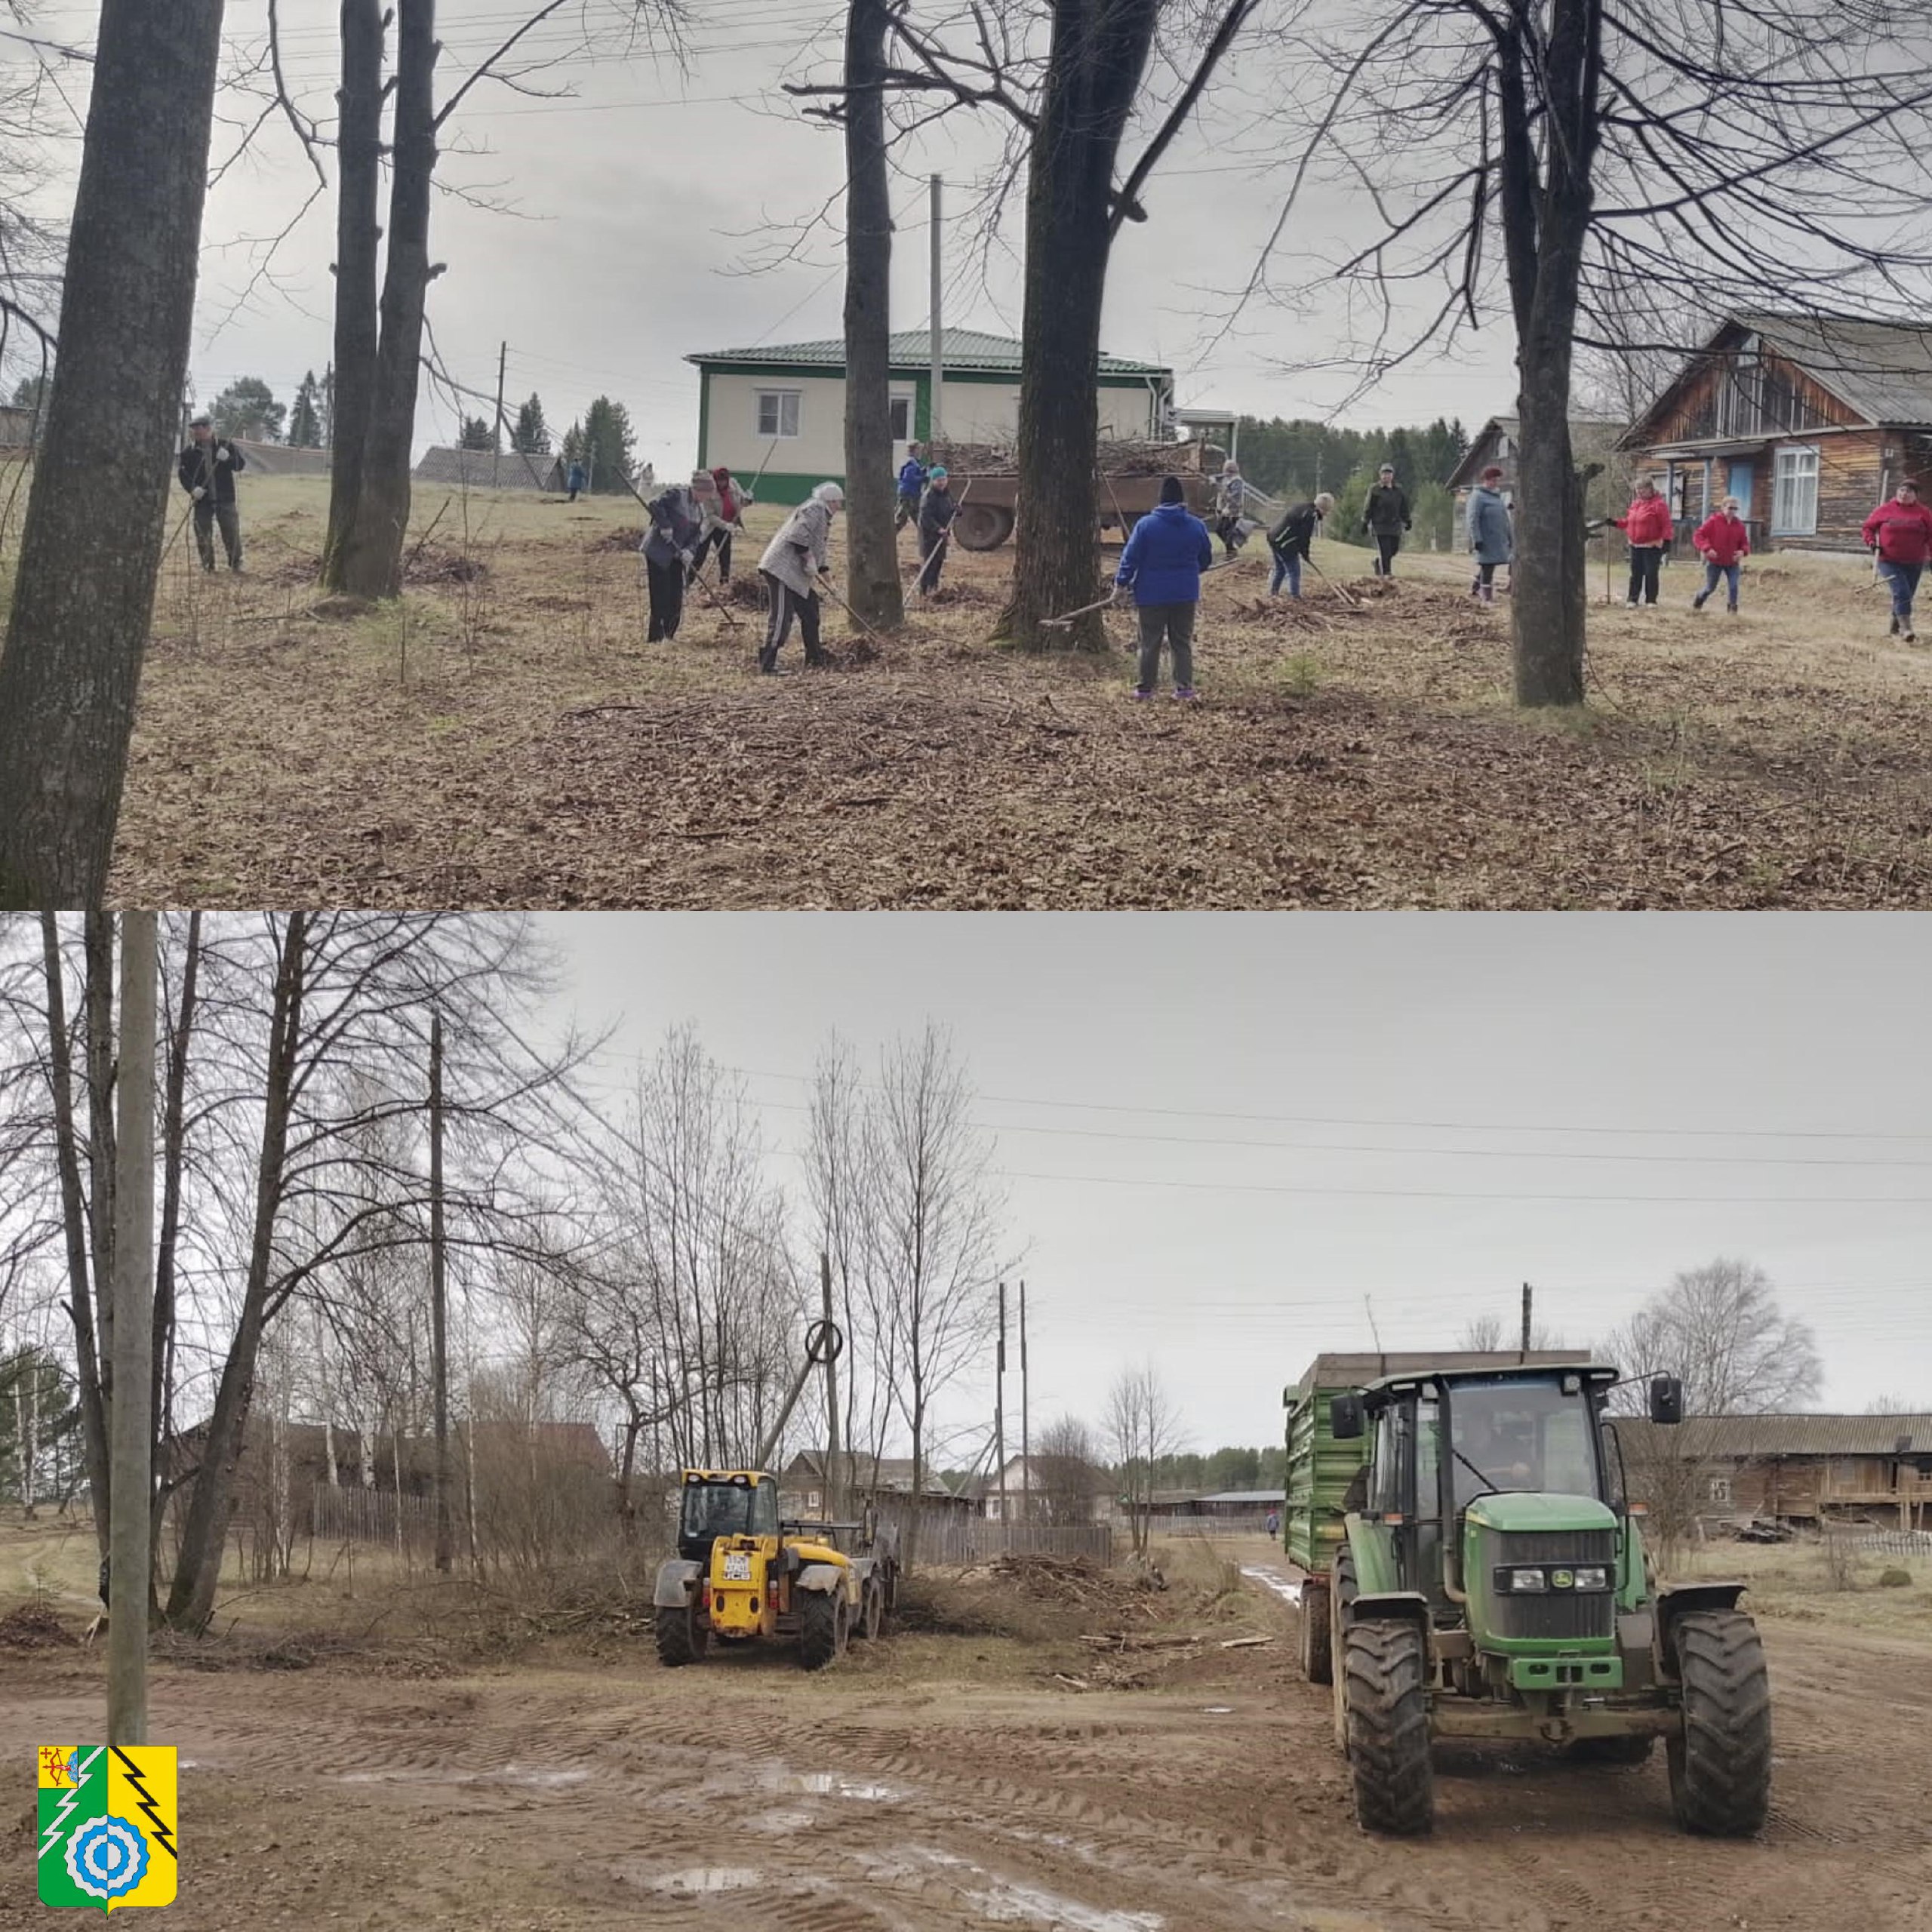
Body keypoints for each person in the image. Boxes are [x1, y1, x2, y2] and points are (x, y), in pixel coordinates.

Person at [1115, 474, 1213, 701]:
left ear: (1160, 501)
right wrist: (1191, 571)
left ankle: (1145, 690)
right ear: (1182, 501)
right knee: (1181, 641)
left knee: (1150, 642)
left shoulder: (1145, 526)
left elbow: (1130, 558)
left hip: (1151, 594)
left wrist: (1121, 583)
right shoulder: (1197, 526)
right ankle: (1184, 689)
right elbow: (1206, 558)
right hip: (1185, 593)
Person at [758, 481, 844, 672]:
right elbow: (798, 537)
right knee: (782, 616)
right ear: (831, 500)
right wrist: (808, 559)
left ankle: (814, 656)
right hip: (781, 570)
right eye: (839, 502)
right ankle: (767, 662)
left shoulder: (824, 516)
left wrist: (832, 585)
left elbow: (819, 555)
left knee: (811, 611)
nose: (840, 507)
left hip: (796, 576)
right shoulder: (815, 509)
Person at [1862, 477, 1932, 644]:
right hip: (1889, 560)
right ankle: (1906, 629)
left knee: (1907, 595)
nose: (1904, 494)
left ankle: (1894, 627)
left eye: (1908, 491)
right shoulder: (1885, 510)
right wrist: (1872, 543)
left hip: (1915, 561)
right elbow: (1868, 528)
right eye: (1901, 490)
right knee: (1902, 592)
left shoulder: (1924, 513)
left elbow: (1931, 536)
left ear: (1916, 495)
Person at [177, 416, 247, 573]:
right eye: (194, 430)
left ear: (209, 429)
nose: (196, 433)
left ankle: (236, 562)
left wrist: (228, 458)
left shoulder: (225, 446)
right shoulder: (188, 453)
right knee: (202, 532)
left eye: (199, 430)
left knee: (231, 530)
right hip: (203, 500)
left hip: (225, 497)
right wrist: (193, 489)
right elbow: (183, 475)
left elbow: (240, 465)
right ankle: (208, 565)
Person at [640, 475, 706, 641]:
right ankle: (655, 638)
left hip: (677, 556)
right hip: (658, 552)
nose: (708, 498)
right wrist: (665, 525)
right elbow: (654, 504)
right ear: (698, 489)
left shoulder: (699, 510)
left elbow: (696, 535)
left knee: (676, 598)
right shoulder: (677, 495)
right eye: (706, 493)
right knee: (660, 596)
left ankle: (669, 636)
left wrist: (690, 551)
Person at [1611, 477, 1672, 606]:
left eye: (1642, 490)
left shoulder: (1659, 505)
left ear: (1650, 489)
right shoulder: (1635, 504)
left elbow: (1666, 524)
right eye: (1637, 490)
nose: (1639, 492)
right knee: (1635, 573)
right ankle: (1633, 599)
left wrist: (1666, 540)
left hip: (1652, 545)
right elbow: (1629, 522)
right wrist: (1615, 523)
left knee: (1651, 573)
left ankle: (1651, 600)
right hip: (1635, 544)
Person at [1266, 491, 1334, 598]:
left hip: (1274, 537)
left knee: (1281, 569)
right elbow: (1304, 538)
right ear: (1323, 509)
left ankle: (1273, 593)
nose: (1326, 514)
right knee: (1294, 571)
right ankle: (1295, 597)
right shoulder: (1311, 515)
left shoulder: (1304, 507)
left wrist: (1304, 553)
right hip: (1283, 542)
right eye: (1327, 511)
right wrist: (1305, 554)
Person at [1691, 495, 1751, 614]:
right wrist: (1707, 549)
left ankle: (1732, 611)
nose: (1732, 511)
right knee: (1710, 588)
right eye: (1730, 508)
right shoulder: (1713, 521)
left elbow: (1745, 543)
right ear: (1723, 508)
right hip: (1715, 562)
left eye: (1735, 509)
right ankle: (1699, 599)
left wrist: (1742, 552)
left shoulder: (1739, 526)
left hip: (1732, 562)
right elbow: (1698, 535)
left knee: (1734, 586)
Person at [1466, 465, 1512, 604]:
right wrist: (1477, 539)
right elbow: (1473, 519)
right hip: (1485, 538)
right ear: (1485, 480)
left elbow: (1504, 518)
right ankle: (1486, 597)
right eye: (1491, 480)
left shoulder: (1497, 497)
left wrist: (1509, 536)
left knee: (1489, 564)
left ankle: (1476, 587)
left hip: (1498, 538)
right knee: (1487, 566)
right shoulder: (1477, 497)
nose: (1494, 483)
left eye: (1496, 480)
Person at [703, 465, 751, 581]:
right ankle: (689, 581)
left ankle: (724, 583)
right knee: (700, 555)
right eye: (719, 481)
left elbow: (742, 500)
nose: (722, 484)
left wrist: (748, 499)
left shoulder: (733, 484)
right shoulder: (709, 490)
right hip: (710, 526)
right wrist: (724, 525)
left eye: (724, 481)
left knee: (725, 557)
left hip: (727, 526)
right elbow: (709, 516)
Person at [914, 464, 957, 592]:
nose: (942, 483)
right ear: (933, 481)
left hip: (942, 535)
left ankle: (934, 587)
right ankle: (924, 590)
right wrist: (938, 529)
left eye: (944, 479)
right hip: (929, 536)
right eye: (939, 480)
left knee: (939, 562)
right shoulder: (928, 496)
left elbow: (950, 509)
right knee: (929, 563)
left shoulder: (947, 494)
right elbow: (925, 518)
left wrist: (957, 510)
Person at [1362, 463, 1411, 576]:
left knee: (1394, 549)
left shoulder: (1398, 490)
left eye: (1388, 474)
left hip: (1395, 525)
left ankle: (1378, 562)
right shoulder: (1375, 489)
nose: (1386, 476)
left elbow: (1403, 507)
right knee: (1385, 550)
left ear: (1392, 476)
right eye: (1384, 474)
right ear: (1380, 476)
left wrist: (1407, 520)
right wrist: (1365, 521)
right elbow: (1369, 506)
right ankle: (1387, 572)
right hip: (1380, 525)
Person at [1213, 458, 1247, 558]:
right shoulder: (1226, 478)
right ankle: (1231, 550)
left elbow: (1233, 498)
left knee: (1229, 535)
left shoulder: (1237, 481)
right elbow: (1216, 478)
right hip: (1225, 512)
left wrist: (1218, 486)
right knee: (1219, 530)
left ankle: (1231, 553)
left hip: (1233, 513)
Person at [895, 441, 928, 531]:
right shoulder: (911, 463)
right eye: (919, 450)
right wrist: (923, 478)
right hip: (909, 494)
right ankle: (890, 535)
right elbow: (909, 478)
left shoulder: (909, 461)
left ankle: (925, 535)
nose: (921, 452)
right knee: (904, 518)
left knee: (915, 517)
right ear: (914, 450)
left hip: (909, 493)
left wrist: (922, 471)